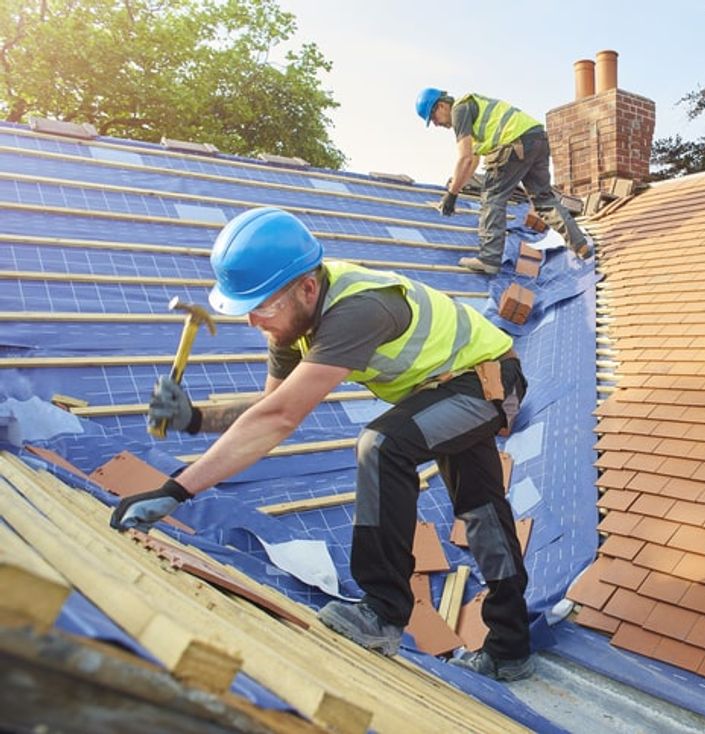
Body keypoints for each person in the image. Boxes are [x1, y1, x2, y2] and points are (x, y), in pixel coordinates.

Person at [110, 206, 535, 682]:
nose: (253, 321)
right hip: (444, 388)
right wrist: (195, 419)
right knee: (481, 511)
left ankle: (383, 612)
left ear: (307, 288)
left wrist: (175, 491)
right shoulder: (291, 322)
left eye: (262, 307)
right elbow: (270, 408)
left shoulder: (358, 310)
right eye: (246, 308)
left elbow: (278, 420)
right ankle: (511, 648)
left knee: (382, 445)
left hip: (488, 381)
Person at [416, 87, 591, 275]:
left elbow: (464, 158)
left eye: (433, 118)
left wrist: (451, 195)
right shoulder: (474, 111)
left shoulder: (459, 110)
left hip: (514, 143)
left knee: (492, 198)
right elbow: (472, 162)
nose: (436, 124)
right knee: (543, 200)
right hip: (537, 138)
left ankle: (489, 258)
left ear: (441, 106)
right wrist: (455, 189)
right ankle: (580, 245)